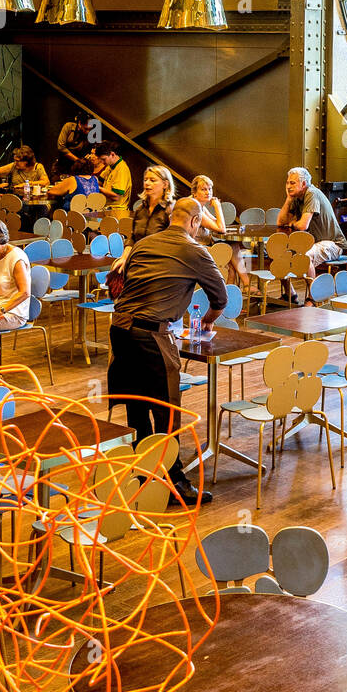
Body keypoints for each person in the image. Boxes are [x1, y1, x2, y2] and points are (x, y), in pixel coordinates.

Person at [107, 197, 227, 507]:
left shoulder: (144, 244)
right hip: (150, 335)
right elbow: (221, 298)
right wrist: (206, 322)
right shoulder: (195, 250)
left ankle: (143, 474)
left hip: (119, 329)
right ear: (195, 223)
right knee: (167, 410)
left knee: (137, 406)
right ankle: (173, 482)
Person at [277, 166, 347, 284]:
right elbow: (281, 222)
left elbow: (302, 226)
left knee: (305, 256)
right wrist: (288, 199)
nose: (288, 186)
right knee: (280, 254)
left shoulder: (311, 193)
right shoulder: (296, 197)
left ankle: (312, 298)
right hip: (314, 243)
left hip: (333, 244)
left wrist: (293, 223)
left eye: (292, 183)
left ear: (303, 183)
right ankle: (290, 295)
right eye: (287, 183)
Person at [190, 174, 249, 291]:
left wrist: (217, 208)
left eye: (210, 189)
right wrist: (218, 207)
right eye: (203, 189)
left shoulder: (201, 205)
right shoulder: (194, 207)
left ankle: (229, 292)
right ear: (195, 192)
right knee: (231, 250)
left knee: (232, 248)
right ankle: (243, 286)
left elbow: (217, 223)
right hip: (197, 250)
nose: (208, 192)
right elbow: (221, 228)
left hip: (205, 246)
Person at [130, 166, 175, 245]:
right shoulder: (140, 209)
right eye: (145, 180)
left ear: (165, 184)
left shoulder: (171, 210)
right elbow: (132, 239)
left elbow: (173, 243)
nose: (147, 183)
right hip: (138, 254)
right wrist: (124, 257)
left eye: (152, 180)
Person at [97, 142, 132, 218]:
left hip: (117, 213)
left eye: (104, 159)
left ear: (112, 154)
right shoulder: (110, 166)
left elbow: (116, 197)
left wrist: (98, 188)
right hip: (107, 210)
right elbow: (99, 181)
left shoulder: (122, 169)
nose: (102, 163)